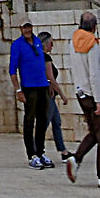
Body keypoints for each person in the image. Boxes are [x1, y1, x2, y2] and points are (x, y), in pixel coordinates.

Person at [65, 11, 100, 186]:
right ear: (95, 27)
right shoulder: (92, 45)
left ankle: (76, 159)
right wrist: (99, 100)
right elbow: (94, 75)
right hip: (92, 94)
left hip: (81, 93)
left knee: (95, 133)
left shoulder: (73, 41)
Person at [7, 19, 54, 168]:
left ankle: (40, 151)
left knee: (42, 120)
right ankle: (31, 154)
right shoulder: (17, 45)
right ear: (20, 29)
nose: (27, 30)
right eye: (24, 27)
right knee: (29, 120)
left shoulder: (38, 42)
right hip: (29, 87)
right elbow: (12, 69)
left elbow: (41, 63)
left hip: (42, 86)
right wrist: (18, 90)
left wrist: (49, 83)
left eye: (29, 26)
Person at [37, 31, 71, 163]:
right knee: (44, 123)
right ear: (45, 44)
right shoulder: (45, 58)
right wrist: (63, 95)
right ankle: (37, 151)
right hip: (47, 95)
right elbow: (51, 78)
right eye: (51, 43)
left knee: (56, 122)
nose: (52, 46)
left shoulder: (37, 56)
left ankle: (63, 151)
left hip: (45, 94)